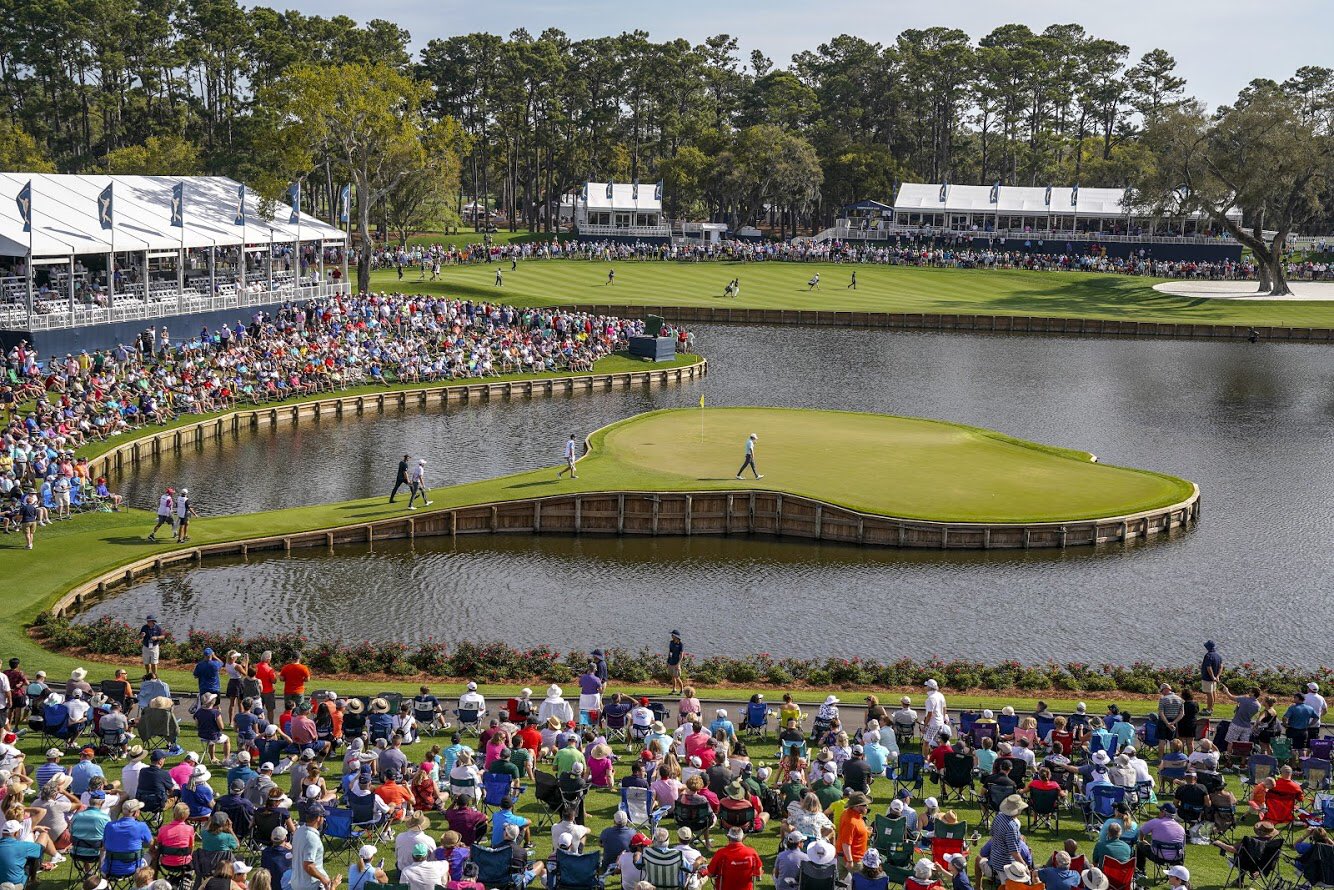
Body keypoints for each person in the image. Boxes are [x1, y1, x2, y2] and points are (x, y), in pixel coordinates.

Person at [292, 804, 339, 890]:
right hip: (310, 885)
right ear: (318, 818)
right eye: (323, 816)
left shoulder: (298, 831)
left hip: (297, 882)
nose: (324, 819)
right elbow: (308, 866)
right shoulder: (312, 838)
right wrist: (323, 878)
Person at [1199, 642, 1221, 716]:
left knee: (1209, 693)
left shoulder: (1208, 655)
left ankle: (1208, 710)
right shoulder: (1218, 656)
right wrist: (1217, 676)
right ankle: (1211, 708)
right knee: (1213, 692)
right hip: (1214, 679)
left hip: (1207, 678)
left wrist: (1212, 677)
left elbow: (1208, 667)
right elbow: (1221, 666)